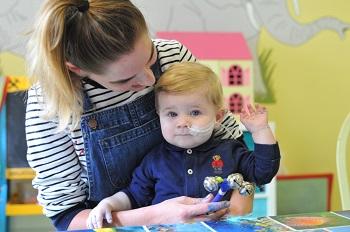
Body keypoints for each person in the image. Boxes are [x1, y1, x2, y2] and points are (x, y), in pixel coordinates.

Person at [25, 0, 247, 230]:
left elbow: (230, 138)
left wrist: (239, 202)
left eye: (151, 57)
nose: (150, 80)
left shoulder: (173, 56)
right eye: (124, 80)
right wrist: (156, 215)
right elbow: (65, 216)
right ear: (77, 69)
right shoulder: (51, 104)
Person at [86, 62, 281, 229]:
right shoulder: (155, 159)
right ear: (159, 117)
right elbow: (133, 196)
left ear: (218, 117)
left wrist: (260, 130)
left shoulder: (230, 151)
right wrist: (109, 203)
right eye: (172, 114)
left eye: (195, 113)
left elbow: (264, 172)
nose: (182, 122)